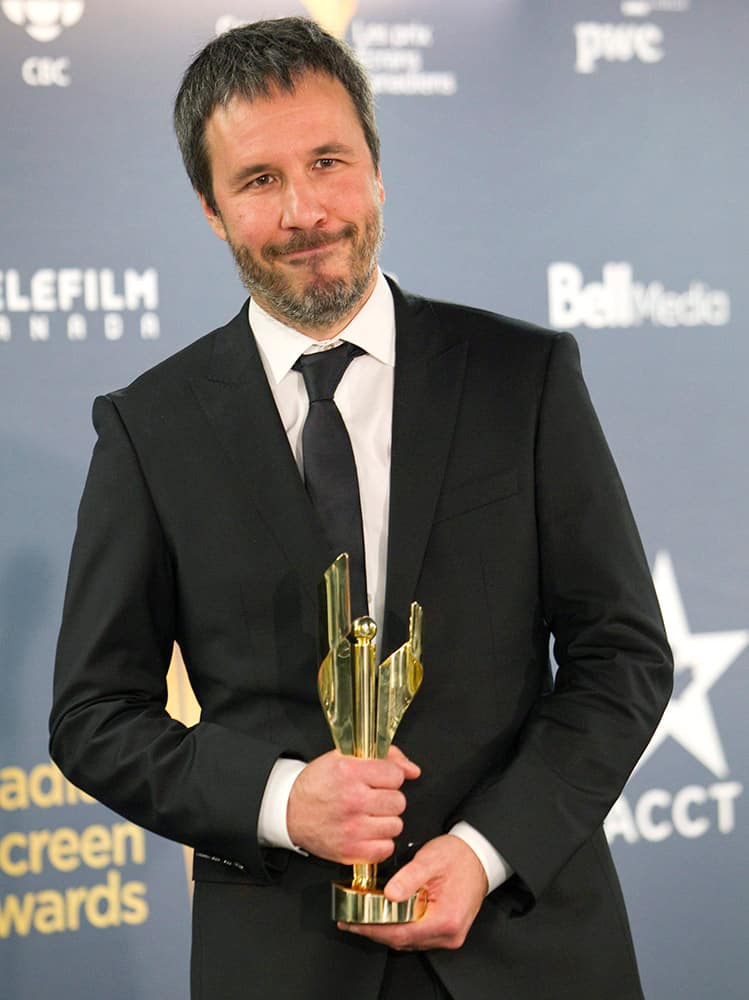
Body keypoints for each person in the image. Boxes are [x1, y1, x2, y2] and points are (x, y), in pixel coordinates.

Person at [50, 17, 672, 1000]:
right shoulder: (149, 429)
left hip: (531, 948)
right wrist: (283, 800)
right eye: (257, 180)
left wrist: (482, 849)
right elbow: (93, 717)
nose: (304, 209)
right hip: (283, 960)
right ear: (210, 209)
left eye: (328, 161)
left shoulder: (521, 378)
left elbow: (622, 654)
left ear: (375, 168)